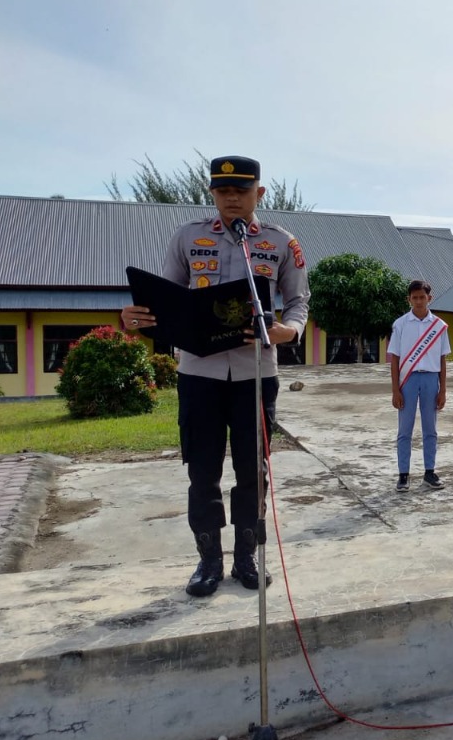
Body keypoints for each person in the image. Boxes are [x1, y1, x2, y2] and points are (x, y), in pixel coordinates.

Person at [119, 155, 310, 598]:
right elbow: (166, 298)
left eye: (241, 191)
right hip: (199, 373)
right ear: (211, 193)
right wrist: (136, 316)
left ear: (259, 194)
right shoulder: (189, 237)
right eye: (222, 191)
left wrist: (289, 330)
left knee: (253, 469)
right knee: (202, 470)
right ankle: (208, 560)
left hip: (255, 373)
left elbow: (298, 301)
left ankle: (246, 556)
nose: (231, 198)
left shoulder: (280, 242)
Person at [388, 279, 451, 492]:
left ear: (429, 298)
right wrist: (396, 389)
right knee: (404, 430)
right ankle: (403, 475)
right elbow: (395, 358)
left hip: (431, 379)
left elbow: (442, 360)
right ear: (409, 299)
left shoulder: (439, 327)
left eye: (421, 297)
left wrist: (443, 389)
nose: (418, 301)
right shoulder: (400, 324)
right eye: (414, 297)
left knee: (430, 429)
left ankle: (429, 472)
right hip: (408, 380)